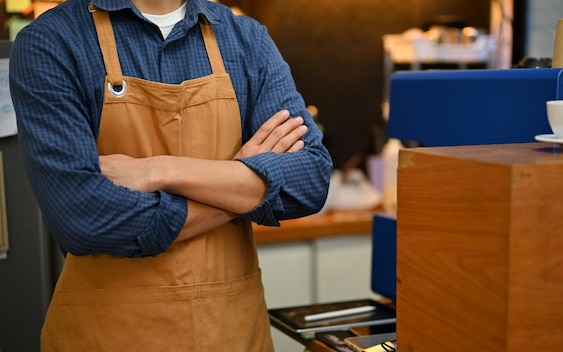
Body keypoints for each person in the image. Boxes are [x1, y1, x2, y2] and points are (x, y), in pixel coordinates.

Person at [9, 0, 332, 350]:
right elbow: (84, 218)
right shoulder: (52, 42)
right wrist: (237, 185)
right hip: (108, 338)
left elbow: (310, 180)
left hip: (233, 335)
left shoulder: (245, 38)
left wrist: (160, 170)